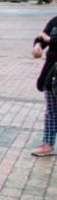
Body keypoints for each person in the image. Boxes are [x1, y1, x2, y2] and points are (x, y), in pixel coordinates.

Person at [30, 15, 57, 157]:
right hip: (51, 72)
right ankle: (47, 144)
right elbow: (42, 37)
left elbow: (47, 38)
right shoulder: (54, 21)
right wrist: (38, 45)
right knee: (51, 111)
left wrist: (50, 40)